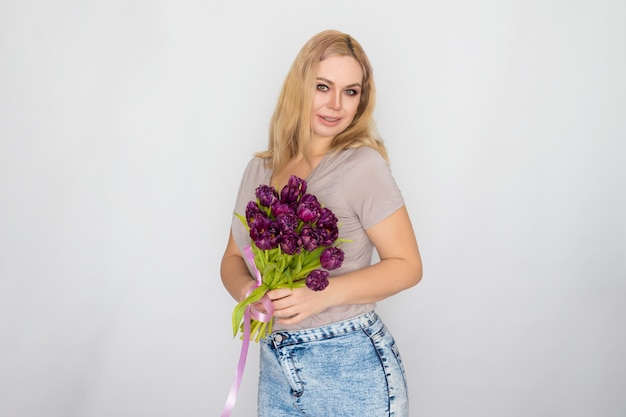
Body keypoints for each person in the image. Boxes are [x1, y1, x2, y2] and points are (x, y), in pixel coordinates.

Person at [220, 29, 423, 417]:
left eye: (351, 91)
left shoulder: (362, 166)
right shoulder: (259, 169)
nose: (336, 104)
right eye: (323, 86)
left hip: (349, 365)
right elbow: (232, 258)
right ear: (300, 87)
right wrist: (249, 291)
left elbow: (408, 266)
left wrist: (322, 295)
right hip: (276, 367)